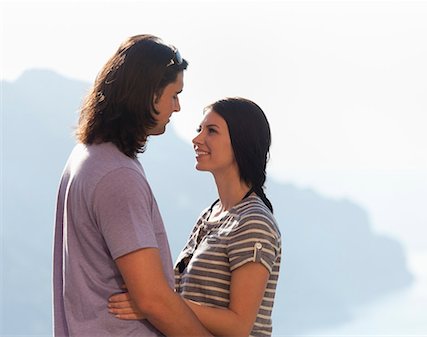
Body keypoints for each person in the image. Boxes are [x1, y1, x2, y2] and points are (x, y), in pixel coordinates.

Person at [53, 34, 212, 337]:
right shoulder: (116, 176)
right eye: (174, 95)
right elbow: (152, 299)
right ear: (149, 95)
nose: (177, 107)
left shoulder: (88, 156)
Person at [108, 97, 282, 337]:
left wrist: (158, 303)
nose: (197, 139)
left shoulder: (253, 222)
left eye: (212, 131)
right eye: (200, 129)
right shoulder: (210, 215)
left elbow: (239, 326)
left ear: (242, 141)